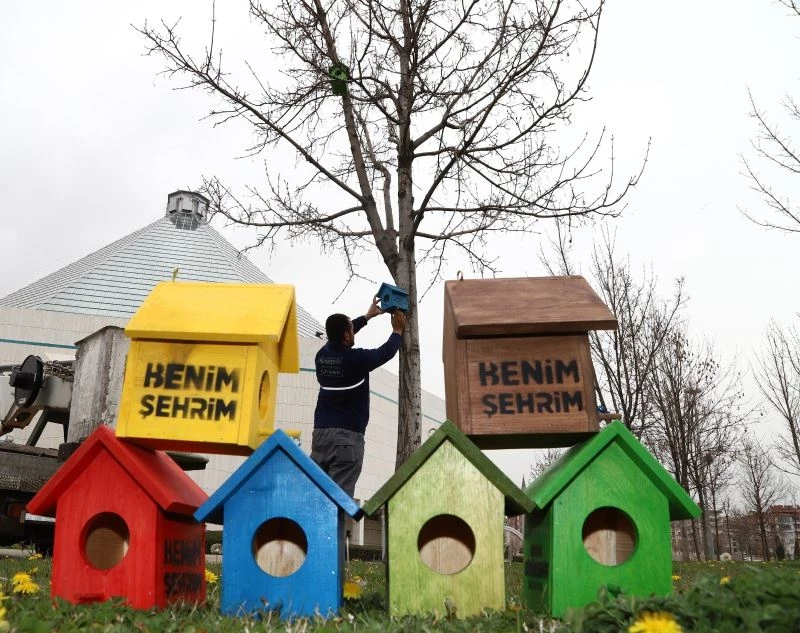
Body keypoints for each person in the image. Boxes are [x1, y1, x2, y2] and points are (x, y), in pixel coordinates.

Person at [310, 296, 406, 497]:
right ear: (346, 335)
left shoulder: (321, 356)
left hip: (320, 437)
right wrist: (397, 330)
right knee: (338, 500)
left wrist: (368, 316)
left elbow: (340, 333)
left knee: (316, 495)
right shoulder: (356, 360)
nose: (354, 331)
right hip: (346, 439)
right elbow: (385, 352)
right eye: (351, 330)